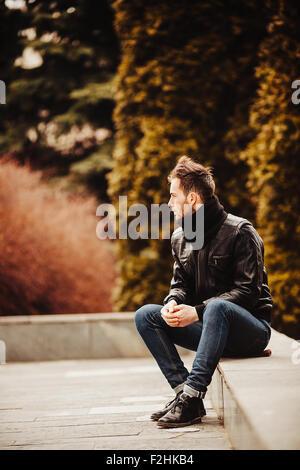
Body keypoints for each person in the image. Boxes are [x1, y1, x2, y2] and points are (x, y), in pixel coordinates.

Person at [134, 155, 273, 429]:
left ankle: (194, 393)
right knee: (145, 315)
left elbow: (249, 292)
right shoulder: (179, 237)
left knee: (218, 307)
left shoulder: (240, 232)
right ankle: (185, 396)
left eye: (174, 197)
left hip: (251, 332)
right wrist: (173, 302)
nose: (170, 203)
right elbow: (181, 283)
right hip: (210, 330)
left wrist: (196, 312)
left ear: (193, 199)